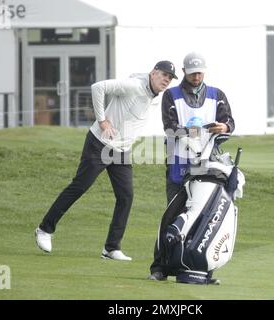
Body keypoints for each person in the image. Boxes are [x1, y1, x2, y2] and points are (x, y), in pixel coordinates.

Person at [35, 60, 178, 261]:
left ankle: (111, 248)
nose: (166, 80)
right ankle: (44, 229)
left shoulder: (154, 96)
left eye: (170, 78)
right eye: (164, 75)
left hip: (121, 151)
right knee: (79, 186)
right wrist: (102, 120)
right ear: (153, 73)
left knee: (126, 197)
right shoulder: (134, 86)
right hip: (100, 143)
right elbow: (98, 87)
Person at [148, 52, 235, 280]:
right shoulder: (171, 95)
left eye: (200, 73)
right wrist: (199, 130)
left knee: (205, 216)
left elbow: (230, 123)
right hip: (179, 162)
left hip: (208, 164)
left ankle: (201, 268)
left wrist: (222, 128)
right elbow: (171, 128)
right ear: (185, 72)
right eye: (192, 73)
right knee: (173, 217)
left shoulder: (217, 95)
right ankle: (160, 268)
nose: (197, 77)